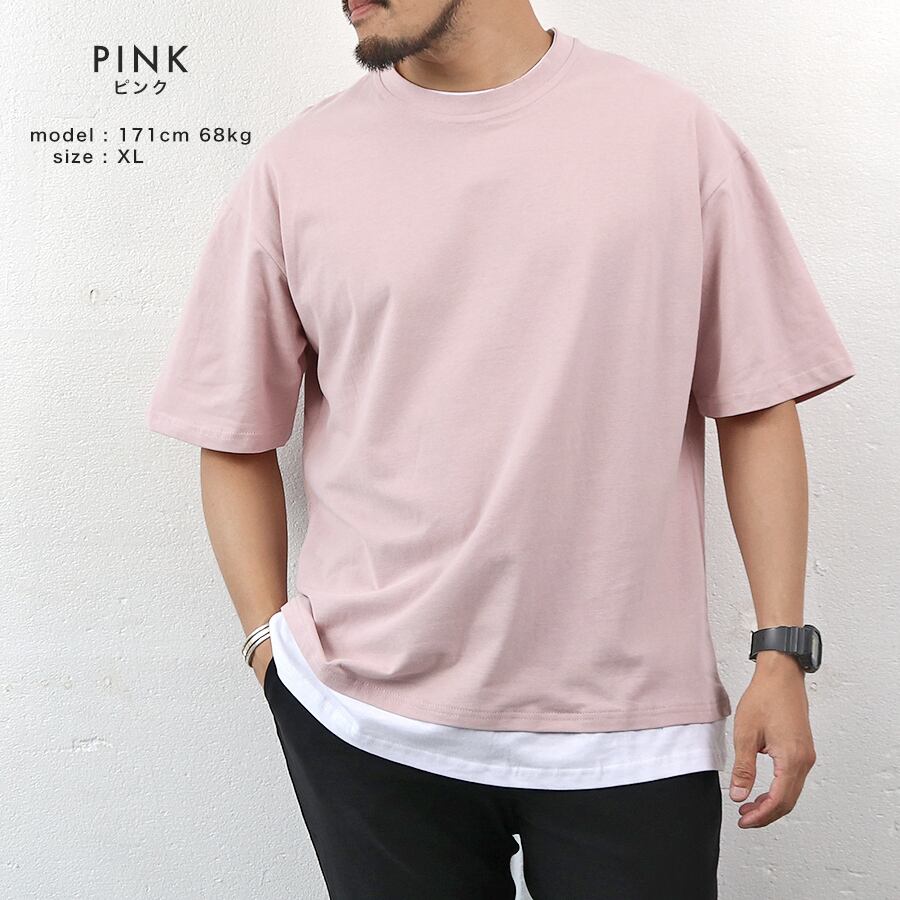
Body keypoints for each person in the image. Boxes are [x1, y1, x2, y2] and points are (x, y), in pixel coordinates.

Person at [146, 2, 856, 897]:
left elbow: (755, 403)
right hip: (365, 723)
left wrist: (781, 652)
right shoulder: (299, 166)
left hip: (628, 729)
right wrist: (270, 654)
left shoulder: (671, 135)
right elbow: (231, 432)